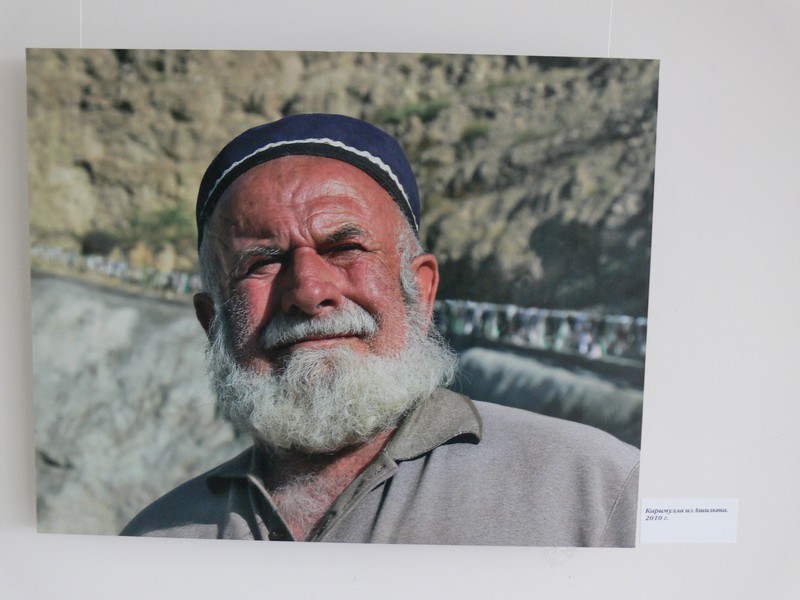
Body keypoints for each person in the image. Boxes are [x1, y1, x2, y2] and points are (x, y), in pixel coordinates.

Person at [121, 114, 639, 546]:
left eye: (345, 248)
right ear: (213, 322)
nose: (308, 290)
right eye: (263, 262)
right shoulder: (155, 542)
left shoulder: (598, 492)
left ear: (421, 291)